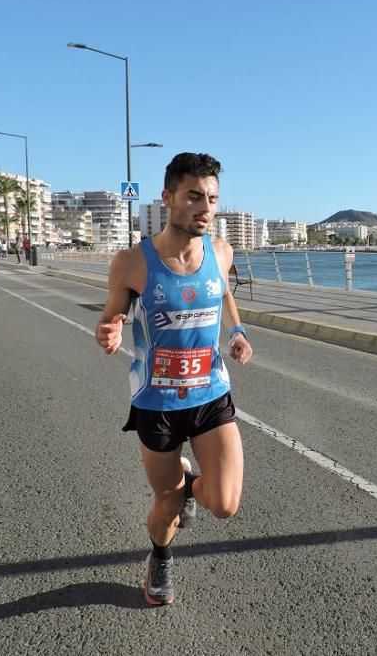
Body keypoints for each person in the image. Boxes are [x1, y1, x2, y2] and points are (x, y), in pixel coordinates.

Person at [95, 152, 252, 606]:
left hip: (210, 394)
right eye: (194, 197)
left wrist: (238, 332)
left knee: (224, 504)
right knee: (167, 504)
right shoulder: (131, 263)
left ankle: (187, 486)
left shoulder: (221, 251)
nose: (206, 208)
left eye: (213, 198)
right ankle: (160, 555)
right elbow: (111, 320)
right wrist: (108, 333)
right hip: (156, 404)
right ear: (168, 198)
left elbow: (222, 293)